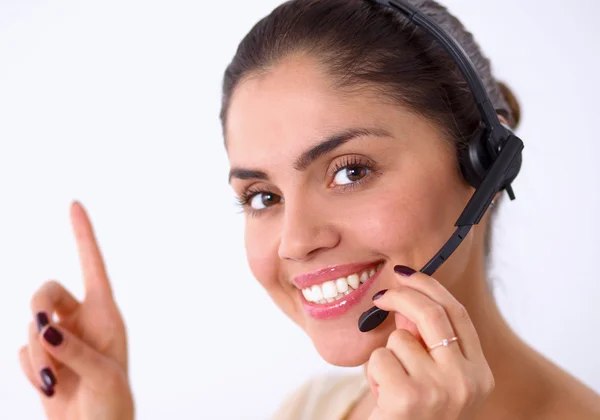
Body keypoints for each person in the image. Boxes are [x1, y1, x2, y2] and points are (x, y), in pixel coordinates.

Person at [17, 0, 600, 419]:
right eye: (262, 197)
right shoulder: (318, 409)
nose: (295, 241)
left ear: (488, 165)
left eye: (350, 171)